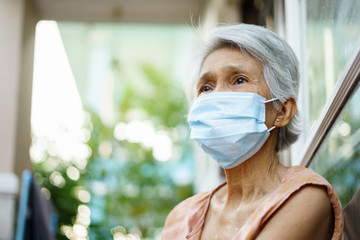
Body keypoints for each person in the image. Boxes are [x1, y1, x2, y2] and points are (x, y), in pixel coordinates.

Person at [161, 24, 343, 240]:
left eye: (239, 80)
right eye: (206, 88)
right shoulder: (181, 217)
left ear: (282, 111)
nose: (216, 97)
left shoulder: (305, 196)